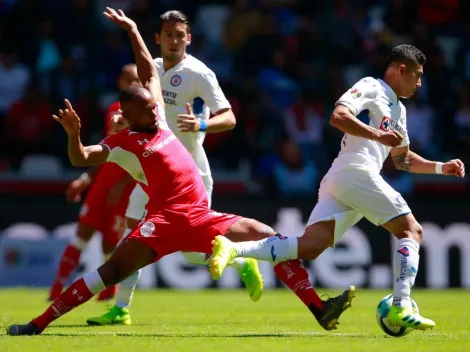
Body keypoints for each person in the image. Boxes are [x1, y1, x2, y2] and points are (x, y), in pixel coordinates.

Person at [7, 8, 354, 336]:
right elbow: (82, 157)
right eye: (146, 104)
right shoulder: (124, 144)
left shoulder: (159, 121)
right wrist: (73, 135)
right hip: (163, 221)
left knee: (267, 235)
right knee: (109, 271)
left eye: (151, 100)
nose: (155, 105)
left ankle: (317, 306)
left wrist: (132, 31)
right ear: (129, 115)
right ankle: (40, 323)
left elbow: (147, 72)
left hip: (198, 215)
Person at [209, 44, 466, 331]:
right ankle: (401, 305)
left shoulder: (400, 110)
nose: (420, 83)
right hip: (356, 171)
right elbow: (338, 117)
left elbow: (402, 159)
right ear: (400, 69)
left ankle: (234, 249)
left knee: (308, 247)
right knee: (412, 231)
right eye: (417, 75)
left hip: (347, 179)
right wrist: (377, 134)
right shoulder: (371, 86)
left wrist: (441, 167)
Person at [86, 10, 262, 326]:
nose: (174, 40)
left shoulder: (199, 73)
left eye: (180, 35)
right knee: (131, 233)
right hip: (153, 172)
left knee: (192, 253)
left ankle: (241, 261)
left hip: (190, 174)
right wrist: (125, 121)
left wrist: (202, 123)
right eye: (168, 34)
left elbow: (230, 117)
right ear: (158, 38)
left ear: (189, 38)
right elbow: (147, 114)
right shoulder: (151, 68)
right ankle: (121, 308)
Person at [48, 64, 140, 301]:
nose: (132, 84)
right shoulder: (113, 109)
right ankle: (57, 289)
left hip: (126, 190)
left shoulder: (147, 114)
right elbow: (106, 150)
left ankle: (108, 294)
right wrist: (86, 178)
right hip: (102, 185)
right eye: (128, 79)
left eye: (137, 80)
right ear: (120, 82)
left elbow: (142, 156)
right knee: (81, 234)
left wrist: (122, 185)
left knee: (110, 246)